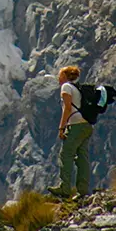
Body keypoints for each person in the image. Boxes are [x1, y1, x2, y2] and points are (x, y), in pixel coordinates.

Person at [48, 66, 93, 198]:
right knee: (82, 157)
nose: (58, 77)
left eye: (60, 75)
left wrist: (62, 127)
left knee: (66, 155)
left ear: (65, 76)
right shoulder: (76, 88)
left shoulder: (66, 87)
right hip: (86, 125)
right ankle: (82, 190)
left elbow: (67, 108)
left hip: (75, 125)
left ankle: (65, 188)